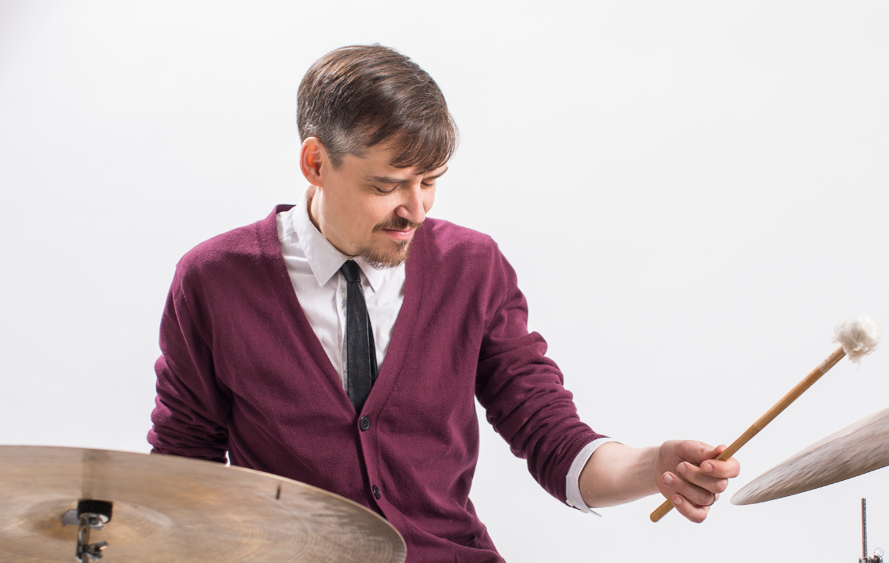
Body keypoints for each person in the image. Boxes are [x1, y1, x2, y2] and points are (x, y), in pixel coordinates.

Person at [148, 44, 739, 562]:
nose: (415, 210)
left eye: (429, 180)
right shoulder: (213, 280)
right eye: (387, 185)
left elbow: (549, 434)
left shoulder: (472, 267)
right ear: (316, 163)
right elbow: (184, 467)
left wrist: (655, 466)